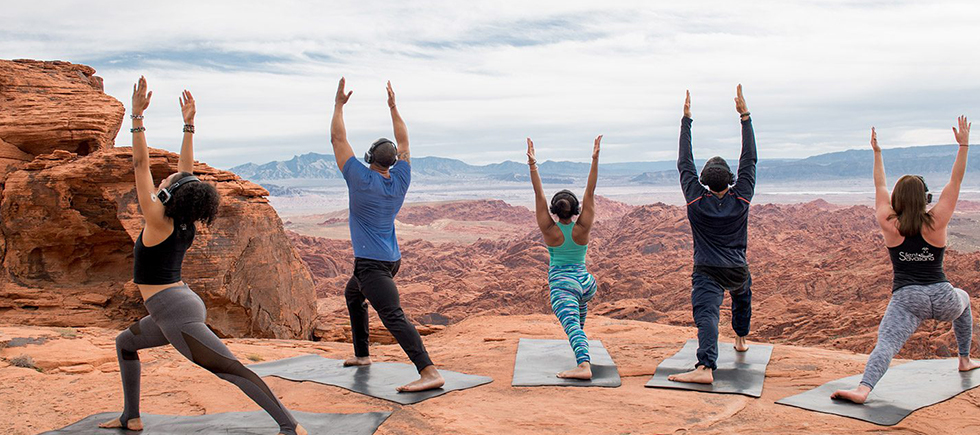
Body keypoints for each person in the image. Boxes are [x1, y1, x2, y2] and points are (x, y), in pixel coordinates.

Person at [100, 77, 305, 435]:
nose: (162, 181)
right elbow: (187, 173)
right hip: (173, 307)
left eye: (167, 182)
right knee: (125, 343)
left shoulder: (159, 219)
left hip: (175, 312)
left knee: (232, 369)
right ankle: (130, 417)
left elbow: (140, 165)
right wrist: (189, 125)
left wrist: (136, 119)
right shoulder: (183, 219)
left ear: (169, 195)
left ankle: (290, 427)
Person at [831, 118, 979, 404]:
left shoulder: (889, 223)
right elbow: (955, 181)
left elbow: (880, 184)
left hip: (908, 298)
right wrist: (963, 145)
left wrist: (877, 152)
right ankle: (964, 359)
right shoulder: (936, 221)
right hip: (942, 295)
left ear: (897, 199)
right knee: (964, 299)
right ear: (926, 198)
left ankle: (863, 389)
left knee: (886, 343)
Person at [331, 78, 445, 392]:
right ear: (392, 162)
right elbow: (405, 140)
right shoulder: (401, 178)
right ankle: (363, 355)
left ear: (369, 159)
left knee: (393, 316)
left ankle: (428, 371)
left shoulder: (359, 178)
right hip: (389, 260)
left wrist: (339, 106)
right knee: (353, 295)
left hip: (372, 264)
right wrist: (394, 107)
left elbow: (337, 138)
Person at [668, 85, 757, 385]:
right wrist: (745, 116)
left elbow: (684, 162)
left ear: (703, 180)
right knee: (742, 296)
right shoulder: (741, 197)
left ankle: (705, 367)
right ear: (731, 179)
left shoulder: (696, 199)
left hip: (707, 269)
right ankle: (742, 339)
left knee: (707, 312)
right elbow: (750, 160)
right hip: (736, 268)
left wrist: (686, 120)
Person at [526, 135, 602, 380]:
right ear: (576, 208)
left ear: (554, 210)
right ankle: (580, 346)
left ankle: (583, 365)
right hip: (586, 282)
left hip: (563, 283)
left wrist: (533, 165)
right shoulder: (583, 227)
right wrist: (594, 158)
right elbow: (591, 190)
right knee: (577, 317)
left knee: (571, 326)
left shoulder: (550, 230)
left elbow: (538, 194)